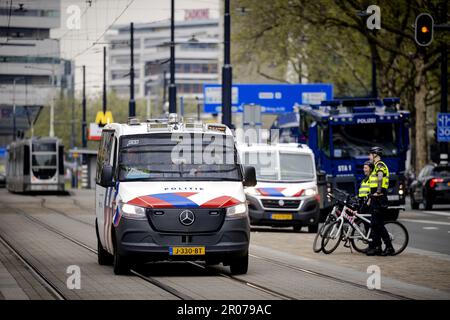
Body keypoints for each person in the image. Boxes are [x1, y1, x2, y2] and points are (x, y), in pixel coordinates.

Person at [366, 146, 395, 256]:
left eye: (370, 154)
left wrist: (378, 191)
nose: (369, 156)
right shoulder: (375, 166)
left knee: (378, 224)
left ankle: (389, 247)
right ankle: (377, 247)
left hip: (380, 196)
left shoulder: (380, 165)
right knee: (374, 224)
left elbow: (380, 178)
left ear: (375, 155)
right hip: (375, 197)